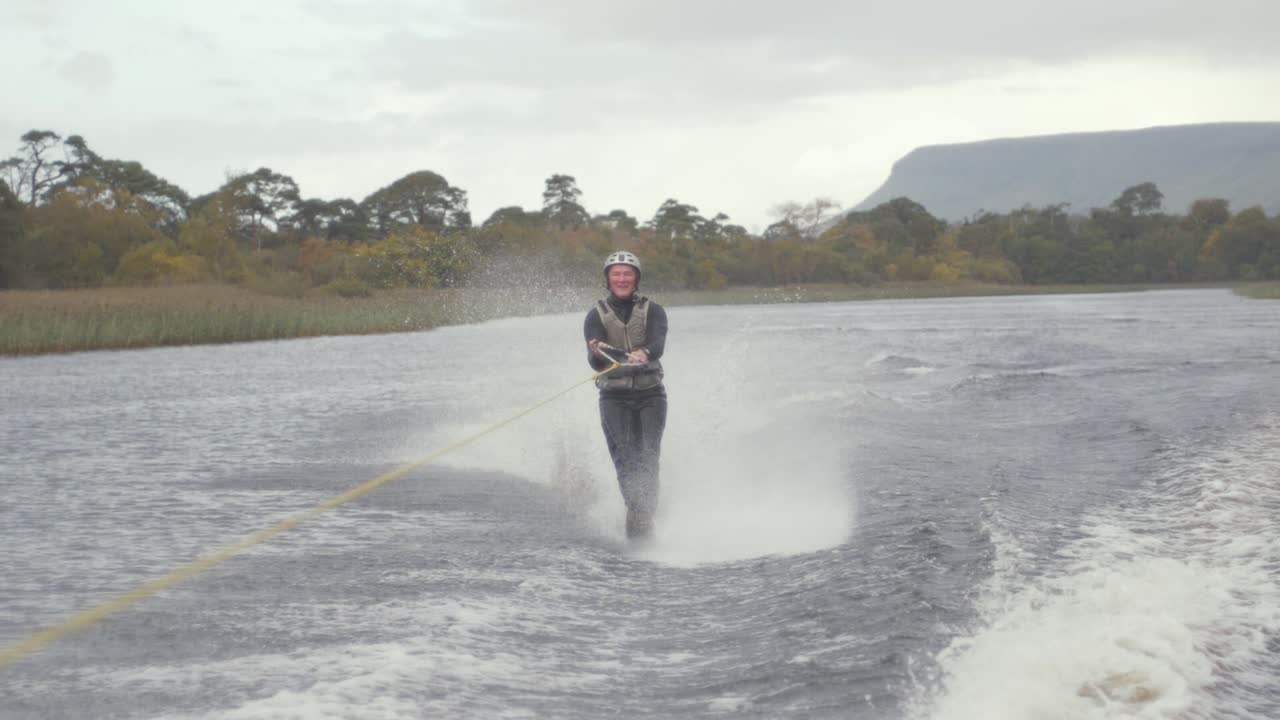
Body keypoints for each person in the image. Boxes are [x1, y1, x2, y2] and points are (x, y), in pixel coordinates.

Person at [584, 250, 669, 540]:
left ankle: (646, 512)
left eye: (627, 273)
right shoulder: (595, 315)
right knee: (624, 456)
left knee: (648, 453)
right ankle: (636, 511)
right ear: (607, 279)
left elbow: (658, 343)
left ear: (636, 278)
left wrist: (645, 352)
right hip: (614, 398)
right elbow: (594, 362)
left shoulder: (654, 311)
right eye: (616, 274)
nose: (622, 278)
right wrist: (597, 352)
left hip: (651, 395)